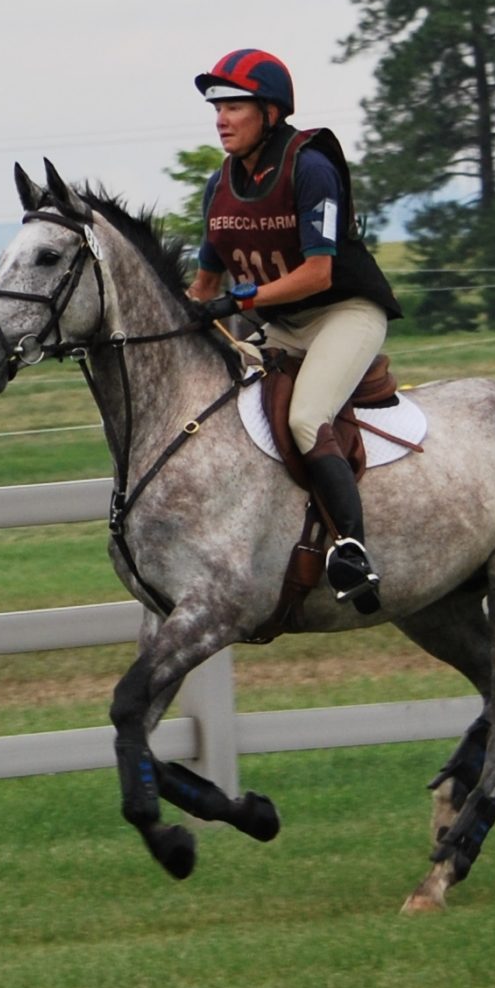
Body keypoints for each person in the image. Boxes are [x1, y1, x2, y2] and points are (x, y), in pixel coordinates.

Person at [187, 49, 403, 614]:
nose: (221, 118)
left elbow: (318, 272)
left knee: (307, 417)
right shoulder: (220, 185)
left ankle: (354, 550)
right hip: (283, 325)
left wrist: (246, 298)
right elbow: (204, 285)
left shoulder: (310, 167)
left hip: (345, 314)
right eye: (217, 107)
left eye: (234, 105)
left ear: (271, 113)